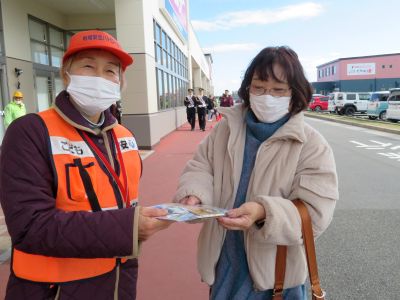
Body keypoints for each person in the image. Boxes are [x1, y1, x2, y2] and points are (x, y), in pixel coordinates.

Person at [0, 30, 171, 299]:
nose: (100, 78)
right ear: (66, 74)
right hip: (52, 289)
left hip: (119, 282)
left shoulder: (124, 136)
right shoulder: (30, 131)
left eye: (110, 71)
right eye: (88, 66)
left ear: (120, 82)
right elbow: (29, 226)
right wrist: (129, 228)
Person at [174, 46, 338, 299]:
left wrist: (263, 212)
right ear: (248, 89)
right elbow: (201, 166)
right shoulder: (225, 129)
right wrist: (195, 194)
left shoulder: (311, 144)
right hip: (224, 262)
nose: (267, 96)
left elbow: (315, 213)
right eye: (259, 87)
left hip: (276, 276)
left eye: (278, 90)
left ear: (294, 94)